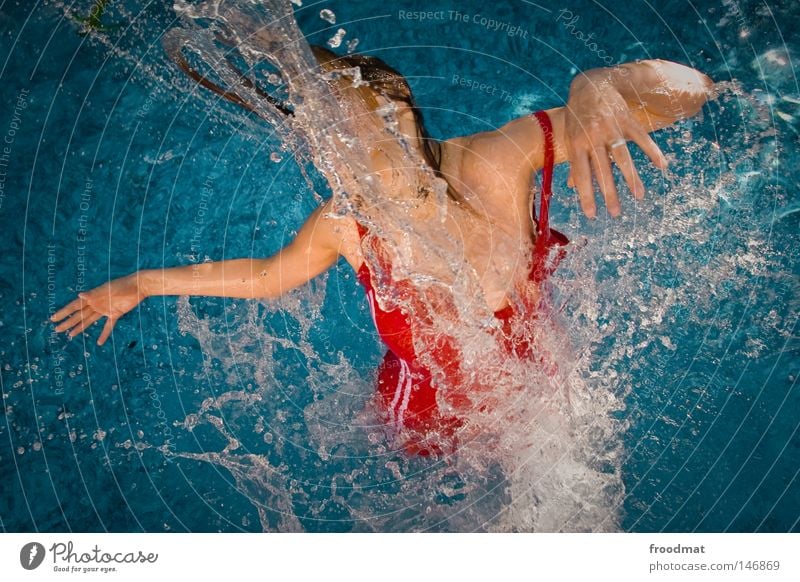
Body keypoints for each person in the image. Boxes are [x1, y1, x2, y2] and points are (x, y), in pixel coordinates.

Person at [51, 46, 713, 455]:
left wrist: (607, 87)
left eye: (338, 132)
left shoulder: (494, 164)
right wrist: (143, 283)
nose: (329, 159)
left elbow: (698, 92)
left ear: (398, 113)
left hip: (532, 382)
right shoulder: (347, 222)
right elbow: (266, 276)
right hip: (419, 405)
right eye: (317, 143)